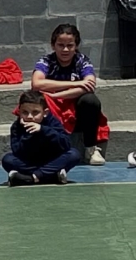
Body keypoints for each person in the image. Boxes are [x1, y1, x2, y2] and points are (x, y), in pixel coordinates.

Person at [31, 24, 106, 166]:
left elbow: (89, 86)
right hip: (51, 112)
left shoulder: (82, 61)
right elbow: (37, 83)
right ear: (53, 45)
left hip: (75, 114)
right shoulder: (46, 61)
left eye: (70, 45)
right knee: (35, 99)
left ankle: (91, 149)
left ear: (76, 46)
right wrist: (76, 83)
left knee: (90, 100)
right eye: (61, 45)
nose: (65, 49)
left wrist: (55, 95)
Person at [2, 90, 80, 187]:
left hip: (52, 161)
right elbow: (17, 151)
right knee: (8, 159)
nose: (30, 116)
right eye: (25, 112)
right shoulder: (16, 127)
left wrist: (43, 130)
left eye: (35, 112)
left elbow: (65, 144)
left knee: (74, 154)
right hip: (30, 163)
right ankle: (52, 177)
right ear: (19, 112)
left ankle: (31, 178)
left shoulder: (52, 122)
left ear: (45, 112)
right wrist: (29, 134)